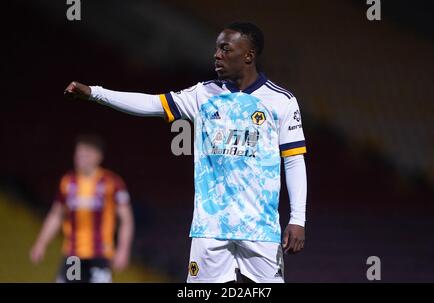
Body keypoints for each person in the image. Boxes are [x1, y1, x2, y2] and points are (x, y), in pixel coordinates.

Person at [64, 22, 307, 283]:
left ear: (248, 55)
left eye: (225, 49)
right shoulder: (203, 94)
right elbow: (152, 103)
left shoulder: (281, 101)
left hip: (260, 229)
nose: (217, 55)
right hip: (210, 228)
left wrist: (297, 219)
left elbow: (293, 161)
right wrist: (96, 94)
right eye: (216, 48)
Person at [30, 135, 134, 283]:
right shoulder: (67, 182)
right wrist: (41, 243)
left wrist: (123, 250)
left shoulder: (111, 182)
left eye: (85, 154)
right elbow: (56, 214)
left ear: (98, 156)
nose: (80, 158)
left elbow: (126, 219)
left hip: (100, 255)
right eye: (78, 154)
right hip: (73, 255)